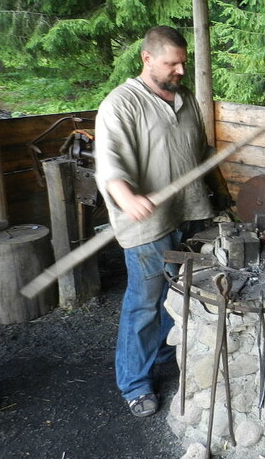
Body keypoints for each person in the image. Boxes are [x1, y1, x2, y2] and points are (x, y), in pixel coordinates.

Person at [95, 26, 225, 417]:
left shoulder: (185, 99)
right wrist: (126, 197)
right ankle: (134, 384)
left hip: (189, 214)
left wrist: (220, 195)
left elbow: (199, 152)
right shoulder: (121, 104)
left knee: (179, 296)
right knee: (144, 303)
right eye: (172, 63)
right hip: (148, 225)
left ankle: (164, 353)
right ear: (147, 59)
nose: (181, 70)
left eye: (183, 62)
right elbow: (110, 163)